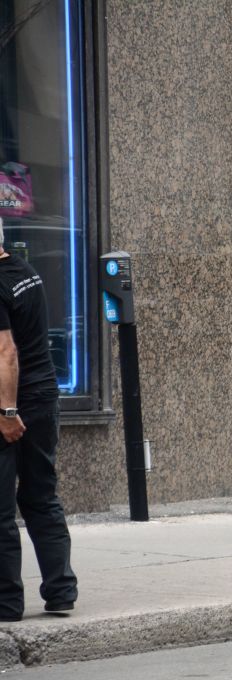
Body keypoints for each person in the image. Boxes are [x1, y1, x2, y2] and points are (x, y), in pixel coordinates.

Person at [0, 218, 77, 621]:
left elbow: (6, 353)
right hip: (45, 396)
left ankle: (7, 603)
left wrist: (7, 412)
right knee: (40, 496)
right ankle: (61, 591)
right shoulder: (23, 271)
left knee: (1, 509)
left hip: (12, 406)